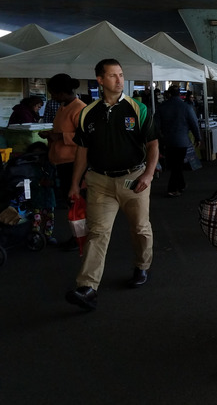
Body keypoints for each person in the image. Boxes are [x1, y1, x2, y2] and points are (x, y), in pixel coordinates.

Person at [65, 58, 159, 311]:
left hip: (133, 179)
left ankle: (142, 266)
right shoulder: (88, 113)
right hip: (99, 181)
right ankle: (87, 287)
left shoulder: (137, 109)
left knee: (140, 228)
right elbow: (82, 151)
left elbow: (152, 145)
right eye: (113, 76)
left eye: (121, 74)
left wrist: (148, 175)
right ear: (100, 80)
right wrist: (75, 183)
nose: (119, 80)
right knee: (98, 233)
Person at [38, 73, 86, 219]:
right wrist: (51, 134)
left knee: (76, 202)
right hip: (60, 162)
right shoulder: (63, 107)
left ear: (62, 93)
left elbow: (86, 137)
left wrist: (59, 136)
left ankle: (80, 238)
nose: (52, 97)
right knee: (69, 202)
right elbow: (62, 129)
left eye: (53, 94)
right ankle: (77, 236)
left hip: (73, 163)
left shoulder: (79, 108)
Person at [158, 85, 201, 197]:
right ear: (179, 94)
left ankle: (181, 184)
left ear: (169, 94)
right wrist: (198, 138)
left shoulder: (162, 107)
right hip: (182, 141)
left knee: (174, 164)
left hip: (167, 141)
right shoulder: (186, 107)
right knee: (177, 165)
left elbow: (155, 125)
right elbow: (194, 123)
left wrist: (158, 140)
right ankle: (173, 188)